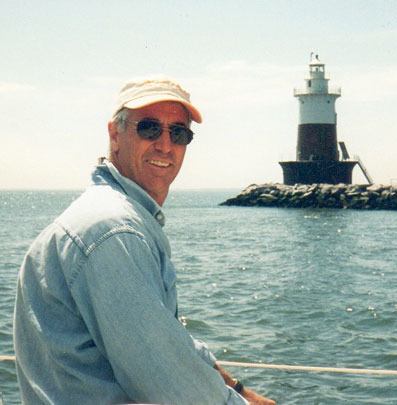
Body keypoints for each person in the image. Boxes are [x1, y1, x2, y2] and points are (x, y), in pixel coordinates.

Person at [13, 76, 275, 405]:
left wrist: (239, 391)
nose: (165, 145)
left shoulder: (118, 218)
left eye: (179, 133)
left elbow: (168, 343)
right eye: (149, 128)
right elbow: (173, 387)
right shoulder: (114, 231)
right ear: (115, 134)